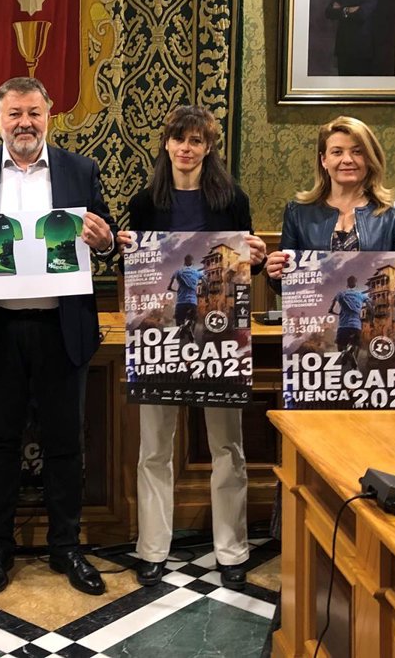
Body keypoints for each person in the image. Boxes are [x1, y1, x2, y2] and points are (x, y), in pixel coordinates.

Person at [0, 76, 117, 597]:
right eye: (14, 113)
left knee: (65, 442)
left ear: (49, 115)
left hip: (61, 327)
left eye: (34, 113)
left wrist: (104, 239)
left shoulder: (80, 169)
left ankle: (66, 546)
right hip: (0, 329)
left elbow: (104, 235)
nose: (25, 123)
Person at [117, 105, 266, 591]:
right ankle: (152, 549)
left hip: (221, 333)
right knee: (154, 447)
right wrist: (125, 252)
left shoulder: (232, 199)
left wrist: (257, 258)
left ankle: (232, 550)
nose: (186, 148)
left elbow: (247, 266)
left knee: (227, 445)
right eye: (179, 139)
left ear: (208, 147)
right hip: (160, 333)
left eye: (196, 140)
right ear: (166, 143)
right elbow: (137, 273)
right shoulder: (144, 202)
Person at [266, 116, 395, 281]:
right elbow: (286, 285)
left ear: (369, 158)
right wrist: (275, 275)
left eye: (357, 152)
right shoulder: (297, 212)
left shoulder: (394, 214)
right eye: (337, 152)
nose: (348, 160)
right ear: (324, 160)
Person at [324, 0, 379, 75]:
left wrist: (341, 8)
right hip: (343, 48)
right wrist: (349, 8)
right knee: (343, 85)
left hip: (362, 49)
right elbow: (328, 12)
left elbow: (362, 14)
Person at [330, 275, 368, 372]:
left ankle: (345, 353)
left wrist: (336, 313)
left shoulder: (340, 294)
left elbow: (330, 309)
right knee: (355, 345)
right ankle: (353, 364)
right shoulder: (361, 295)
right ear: (356, 284)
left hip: (343, 326)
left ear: (347, 284)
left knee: (340, 346)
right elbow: (370, 305)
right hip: (356, 326)